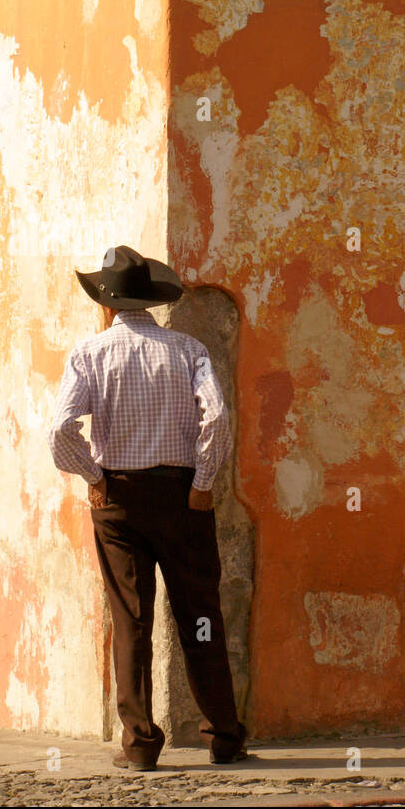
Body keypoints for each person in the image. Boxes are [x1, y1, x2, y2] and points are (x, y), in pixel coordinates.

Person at [47, 245, 247, 771]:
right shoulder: (188, 350)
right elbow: (218, 419)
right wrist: (202, 483)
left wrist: (92, 476)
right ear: (150, 299)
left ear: (107, 303)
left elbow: (60, 430)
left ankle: (139, 746)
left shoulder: (89, 354)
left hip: (119, 501)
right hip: (184, 497)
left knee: (132, 619)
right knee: (200, 616)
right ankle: (224, 735)